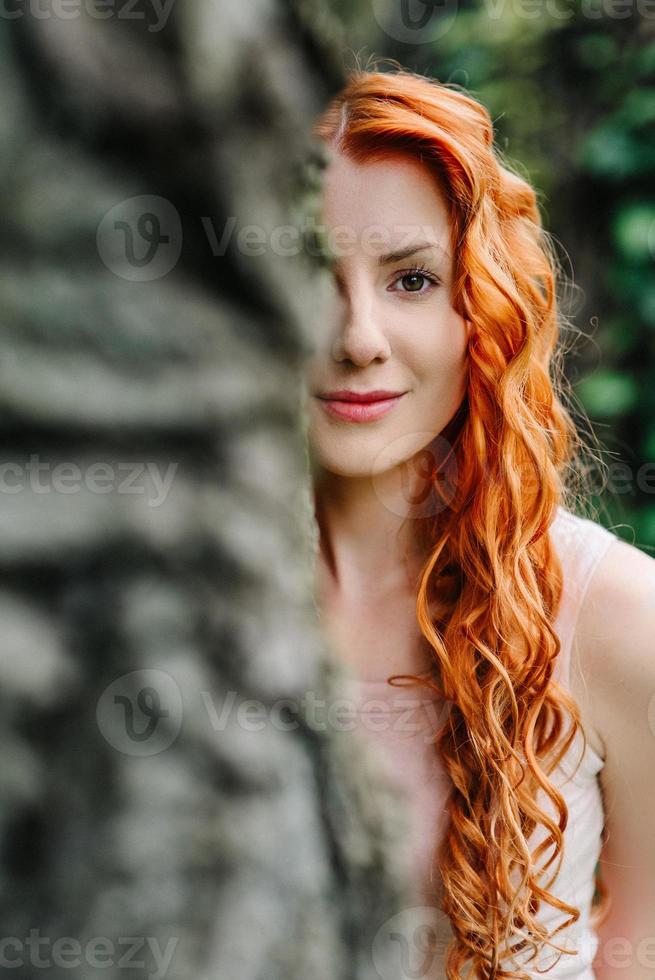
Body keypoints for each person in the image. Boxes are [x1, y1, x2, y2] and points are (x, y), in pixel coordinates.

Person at [300, 63, 655, 980]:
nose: (358, 336)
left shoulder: (612, 615)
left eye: (411, 280)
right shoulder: (135, 603)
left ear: (482, 313)